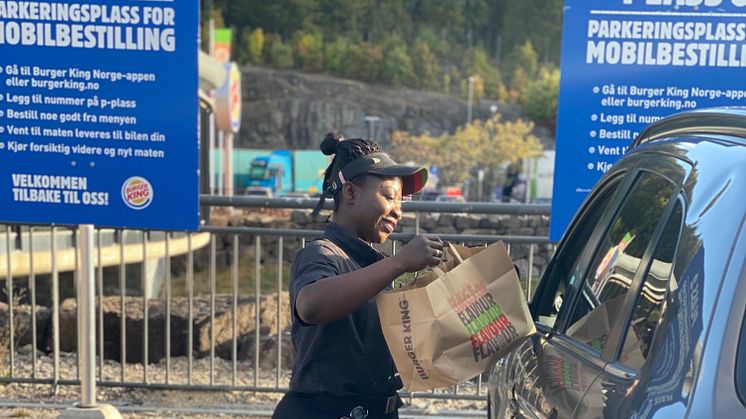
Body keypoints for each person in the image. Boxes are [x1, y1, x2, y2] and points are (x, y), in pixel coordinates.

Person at [273, 133, 443, 419]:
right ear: (350, 193)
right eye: (389, 197)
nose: (398, 211)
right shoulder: (321, 254)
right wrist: (400, 262)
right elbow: (311, 305)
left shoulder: (371, 265)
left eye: (402, 201)